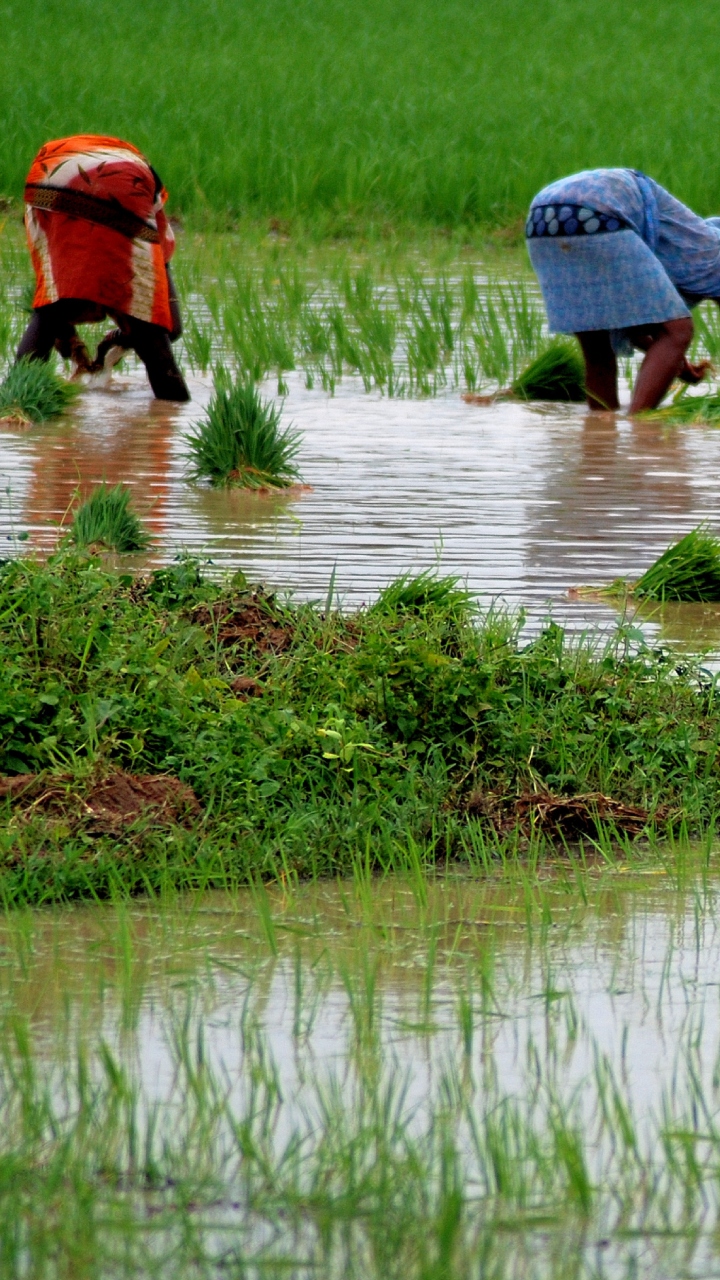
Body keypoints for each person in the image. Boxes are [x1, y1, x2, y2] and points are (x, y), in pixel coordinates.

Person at [525, 168, 720, 413]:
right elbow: (668, 331)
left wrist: (674, 361)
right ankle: (639, 427)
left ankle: (600, 431)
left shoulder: (682, 238)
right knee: (679, 330)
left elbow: (631, 324)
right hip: (595, 212)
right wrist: (671, 350)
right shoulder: (712, 249)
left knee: (598, 346)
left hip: (541, 219)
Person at [18, 134, 189, 401]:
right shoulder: (156, 231)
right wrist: (135, 329)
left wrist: (117, 337)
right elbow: (171, 326)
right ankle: (169, 416)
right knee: (149, 324)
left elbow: (57, 286)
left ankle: (15, 406)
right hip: (124, 182)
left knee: (51, 308)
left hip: (51, 173)